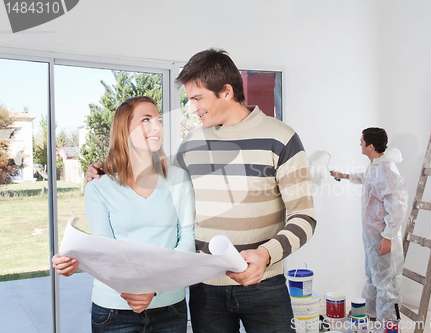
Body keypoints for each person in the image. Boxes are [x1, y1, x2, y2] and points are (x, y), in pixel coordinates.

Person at [87, 49, 316, 333]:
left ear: (226, 92)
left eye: (197, 98)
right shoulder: (192, 143)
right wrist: (105, 171)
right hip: (205, 290)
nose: (192, 108)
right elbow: (152, 177)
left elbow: (304, 217)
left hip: (264, 285)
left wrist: (266, 255)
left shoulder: (282, 138)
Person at [53, 96, 195, 333]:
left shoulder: (178, 179)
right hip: (114, 310)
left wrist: (154, 287)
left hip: (169, 307)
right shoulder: (98, 187)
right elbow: (107, 250)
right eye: (146, 120)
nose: (156, 127)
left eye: (158, 120)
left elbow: (188, 240)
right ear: (124, 130)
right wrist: (75, 260)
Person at [330, 127, 407, 327]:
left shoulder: (387, 171)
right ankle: (371, 315)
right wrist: (344, 175)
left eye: (362, 141)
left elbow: (397, 209)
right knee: (374, 276)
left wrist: (388, 236)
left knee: (386, 281)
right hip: (372, 233)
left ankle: (388, 325)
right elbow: (366, 179)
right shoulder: (376, 166)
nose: (360, 144)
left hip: (382, 234)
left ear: (371, 146)